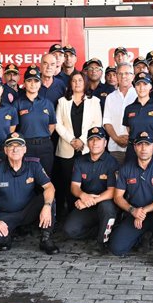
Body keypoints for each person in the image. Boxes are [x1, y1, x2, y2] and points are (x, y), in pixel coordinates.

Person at [0, 132, 59, 254]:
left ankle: (46, 239)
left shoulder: (33, 165)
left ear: (24, 149)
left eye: (18, 146)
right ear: (5, 150)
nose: (15, 149)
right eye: (11, 146)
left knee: (49, 200)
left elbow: (49, 187)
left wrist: (47, 206)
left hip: (27, 211)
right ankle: (9, 234)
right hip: (6, 215)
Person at [110, 131, 153, 266]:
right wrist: (133, 211)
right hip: (135, 215)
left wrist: (144, 210)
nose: (144, 148)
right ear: (134, 147)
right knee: (116, 248)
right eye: (140, 145)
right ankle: (143, 236)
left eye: (147, 144)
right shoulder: (126, 168)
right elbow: (117, 197)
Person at [62, 126, 120, 252]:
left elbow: (112, 191)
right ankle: (103, 230)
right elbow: (74, 187)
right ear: (87, 142)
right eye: (92, 140)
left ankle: (101, 242)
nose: (95, 143)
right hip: (87, 204)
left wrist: (90, 200)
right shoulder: (80, 161)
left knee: (107, 208)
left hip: (104, 203)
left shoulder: (112, 162)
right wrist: (83, 196)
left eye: (99, 140)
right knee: (69, 230)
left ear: (105, 142)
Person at [54, 72, 103, 218]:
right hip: (66, 148)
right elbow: (58, 123)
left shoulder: (94, 101)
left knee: (86, 182)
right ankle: (70, 214)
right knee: (68, 182)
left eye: (80, 80)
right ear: (70, 84)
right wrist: (72, 140)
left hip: (86, 148)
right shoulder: (62, 101)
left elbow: (97, 123)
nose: (77, 83)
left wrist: (82, 140)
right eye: (74, 80)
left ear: (85, 83)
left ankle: (86, 213)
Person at [14, 65, 57, 176]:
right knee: (26, 179)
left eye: (36, 81)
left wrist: (42, 137)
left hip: (45, 146)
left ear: (40, 83)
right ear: (24, 83)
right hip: (25, 147)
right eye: (29, 80)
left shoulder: (47, 103)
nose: (33, 84)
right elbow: (12, 128)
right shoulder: (18, 103)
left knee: (46, 178)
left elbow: (52, 125)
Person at [122, 73, 153, 161]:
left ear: (150, 86)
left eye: (145, 84)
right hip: (133, 150)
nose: (141, 88)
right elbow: (129, 129)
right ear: (134, 87)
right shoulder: (129, 108)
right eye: (138, 84)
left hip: (152, 151)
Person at [103, 62, 137, 165]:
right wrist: (117, 138)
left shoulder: (138, 95)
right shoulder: (110, 97)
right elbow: (107, 122)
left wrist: (130, 139)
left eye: (127, 73)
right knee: (116, 179)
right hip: (115, 148)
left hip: (136, 148)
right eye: (120, 73)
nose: (123, 76)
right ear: (116, 76)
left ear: (133, 76)